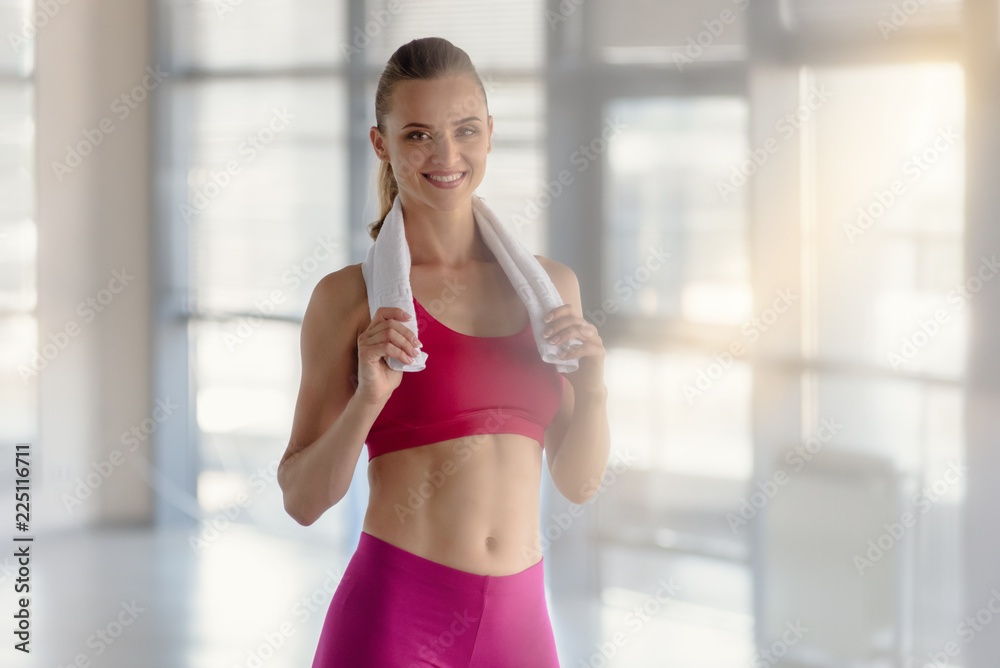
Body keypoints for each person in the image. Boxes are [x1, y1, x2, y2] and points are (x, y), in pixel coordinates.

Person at [277, 36, 610, 668]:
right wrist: (369, 398)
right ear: (382, 144)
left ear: (489, 132)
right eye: (418, 135)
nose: (447, 155)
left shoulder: (551, 290)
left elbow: (579, 483)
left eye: (465, 131)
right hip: (394, 621)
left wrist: (593, 390)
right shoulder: (352, 300)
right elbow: (302, 500)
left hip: (520, 626)